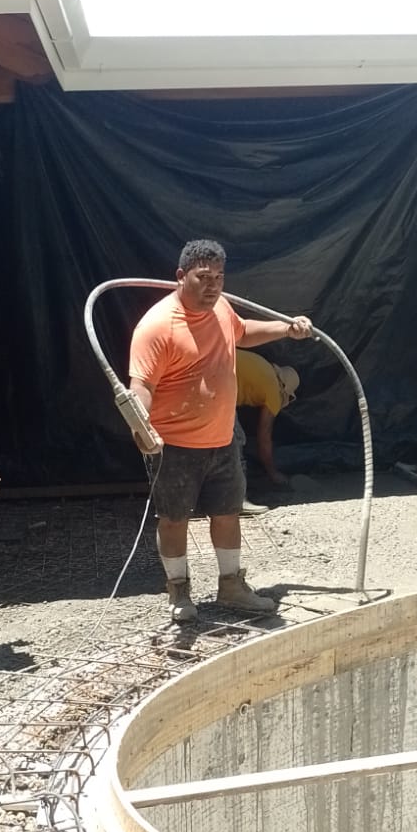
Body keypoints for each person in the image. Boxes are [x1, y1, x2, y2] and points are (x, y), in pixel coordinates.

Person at [128, 238, 313, 625]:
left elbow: (242, 332)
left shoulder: (221, 309)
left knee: (227, 513)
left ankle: (231, 586)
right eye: (203, 277)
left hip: (222, 439)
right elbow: (140, 385)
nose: (213, 285)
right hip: (175, 446)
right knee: (174, 519)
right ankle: (179, 592)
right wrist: (140, 423)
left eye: (219, 277)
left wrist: (285, 329)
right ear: (181, 277)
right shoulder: (158, 326)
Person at [235, 351, 300, 488]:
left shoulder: (263, 366)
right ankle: (238, 496)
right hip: (215, 384)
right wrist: (273, 473)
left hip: (205, 367)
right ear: (284, 389)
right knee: (235, 439)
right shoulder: (274, 391)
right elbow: (264, 437)